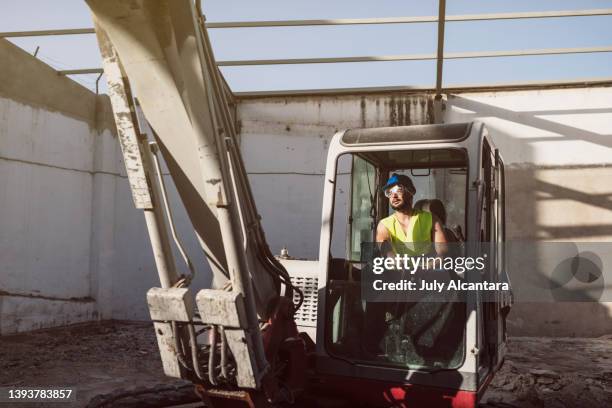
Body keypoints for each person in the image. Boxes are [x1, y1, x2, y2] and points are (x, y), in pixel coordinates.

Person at [375, 173, 447, 258]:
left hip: (426, 269)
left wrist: (429, 266)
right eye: (389, 193)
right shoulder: (384, 224)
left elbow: (442, 253)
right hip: (397, 270)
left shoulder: (432, 220)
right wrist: (393, 259)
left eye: (399, 190)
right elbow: (385, 248)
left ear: (410, 192)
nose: (393, 196)